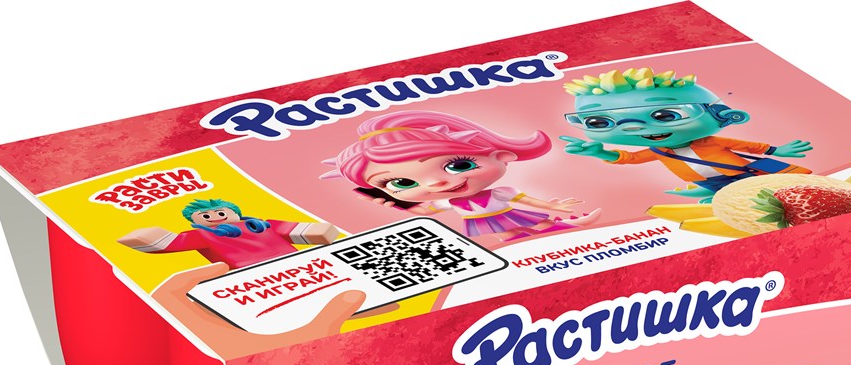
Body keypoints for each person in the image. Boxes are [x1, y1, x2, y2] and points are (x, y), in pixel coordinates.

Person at [321, 110, 601, 242]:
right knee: (510, 236)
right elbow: (425, 210)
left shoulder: (499, 193)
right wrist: (398, 205)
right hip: (486, 224)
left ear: (501, 156)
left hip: (509, 213)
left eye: (458, 165)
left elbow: (527, 201)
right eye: (401, 183)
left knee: (540, 224)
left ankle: (568, 227)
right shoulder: (449, 202)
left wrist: (554, 206)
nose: (436, 183)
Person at [561, 68, 813, 203]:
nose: (633, 127)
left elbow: (747, 146)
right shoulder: (658, 150)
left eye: (665, 115)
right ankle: (720, 199)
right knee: (724, 194)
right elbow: (631, 158)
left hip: (739, 172)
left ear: (724, 115)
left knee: (762, 190)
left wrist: (777, 151)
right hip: (707, 182)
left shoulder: (709, 142)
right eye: (598, 122)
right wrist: (600, 153)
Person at [118, 198, 338, 269]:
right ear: (195, 221)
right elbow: (169, 243)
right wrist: (145, 236)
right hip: (247, 273)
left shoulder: (263, 224)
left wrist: (324, 232)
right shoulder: (202, 235)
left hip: (298, 262)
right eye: (205, 216)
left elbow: (305, 231)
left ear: (235, 213)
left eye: (220, 212)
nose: (214, 217)